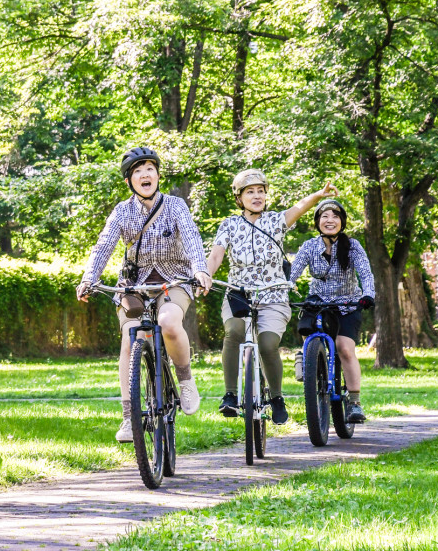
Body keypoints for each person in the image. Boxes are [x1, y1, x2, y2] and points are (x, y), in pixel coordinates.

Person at [77, 147, 213, 442]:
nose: (144, 175)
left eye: (149, 169)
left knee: (168, 323)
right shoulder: (122, 212)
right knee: (131, 340)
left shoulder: (175, 206)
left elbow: (191, 238)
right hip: (134, 286)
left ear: (158, 175)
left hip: (173, 280)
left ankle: (185, 379)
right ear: (129, 181)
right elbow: (103, 246)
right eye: (137, 171)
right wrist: (89, 279)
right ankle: (129, 417)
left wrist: (200, 269)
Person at [205, 170, 337, 425]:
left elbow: (298, 208)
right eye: (250, 192)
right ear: (239, 197)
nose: (257, 196)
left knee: (266, 344)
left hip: (273, 293)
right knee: (234, 331)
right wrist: (206, 277)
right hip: (239, 293)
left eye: (261, 191)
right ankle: (231, 395)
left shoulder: (276, 221)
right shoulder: (229, 225)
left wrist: (318, 196)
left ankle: (276, 397)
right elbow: (215, 256)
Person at [289, 198, 376, 423]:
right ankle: (307, 361)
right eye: (325, 216)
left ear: (342, 221)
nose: (330, 220)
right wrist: (285, 287)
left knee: (344, 348)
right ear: (318, 221)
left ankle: (354, 403)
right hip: (318, 299)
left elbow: (365, 273)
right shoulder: (309, 246)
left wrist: (368, 295)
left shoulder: (353, 246)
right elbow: (294, 271)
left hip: (348, 303)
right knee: (306, 330)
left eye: (335, 216)